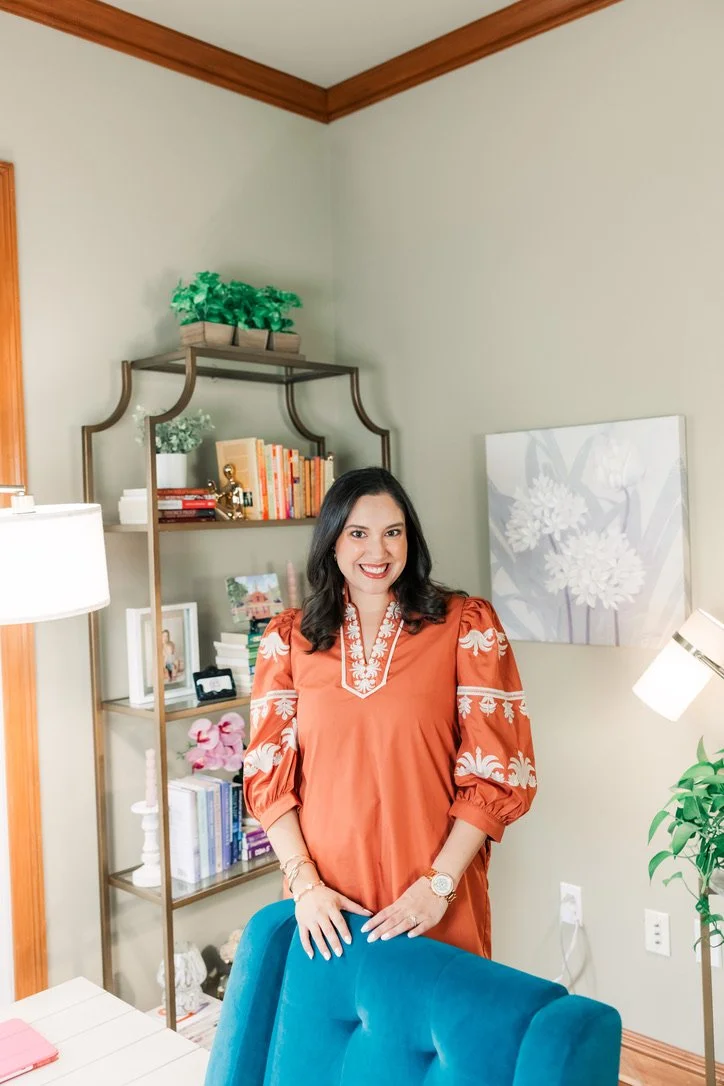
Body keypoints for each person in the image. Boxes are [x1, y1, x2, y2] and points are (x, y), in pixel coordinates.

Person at [243, 467, 536, 963]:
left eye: (392, 533)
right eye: (358, 533)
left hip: (434, 898)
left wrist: (438, 886)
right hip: (327, 907)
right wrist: (305, 884)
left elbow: (496, 777)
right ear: (332, 542)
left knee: (446, 1035)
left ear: (410, 540)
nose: (377, 552)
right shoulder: (288, 639)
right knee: (328, 1036)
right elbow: (268, 778)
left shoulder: (466, 625)